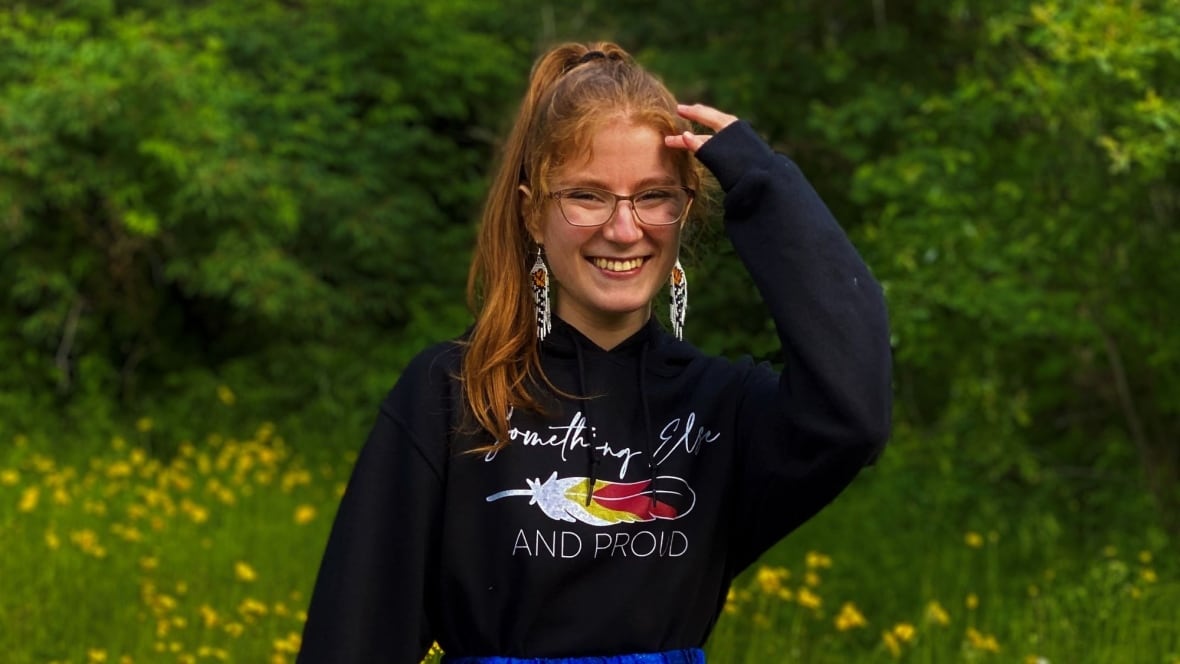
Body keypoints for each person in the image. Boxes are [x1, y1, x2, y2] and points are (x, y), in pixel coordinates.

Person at [297, 41, 891, 664]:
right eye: (587, 195)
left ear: (685, 210)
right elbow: (355, 632)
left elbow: (851, 415)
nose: (624, 229)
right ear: (533, 214)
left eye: (653, 196)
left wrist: (765, 185)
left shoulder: (721, 412)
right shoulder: (454, 392)